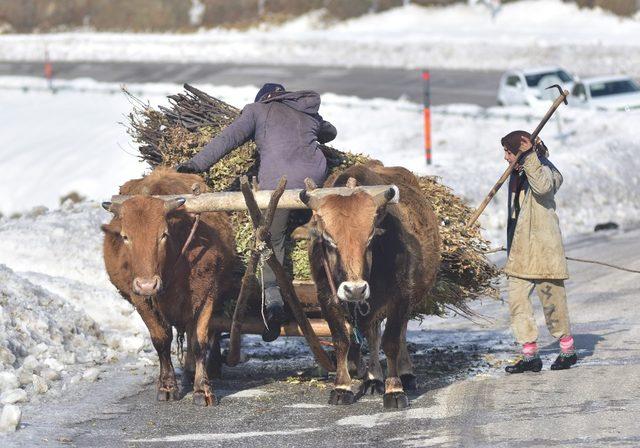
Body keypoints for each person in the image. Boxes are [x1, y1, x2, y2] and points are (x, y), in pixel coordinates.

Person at [177, 83, 336, 342]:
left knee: (269, 238)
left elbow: (228, 139)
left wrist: (195, 165)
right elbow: (331, 131)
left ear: (263, 99)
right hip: (314, 184)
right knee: (296, 226)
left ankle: (273, 299)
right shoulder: (307, 112)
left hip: (281, 188)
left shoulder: (256, 111)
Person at [501, 130, 578, 373]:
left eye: (509, 152)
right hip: (520, 252)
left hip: (544, 250)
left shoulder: (547, 171)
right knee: (517, 302)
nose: (505, 157)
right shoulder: (517, 173)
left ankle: (568, 351)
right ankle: (530, 355)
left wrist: (530, 156)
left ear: (522, 152)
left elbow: (543, 188)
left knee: (552, 302)